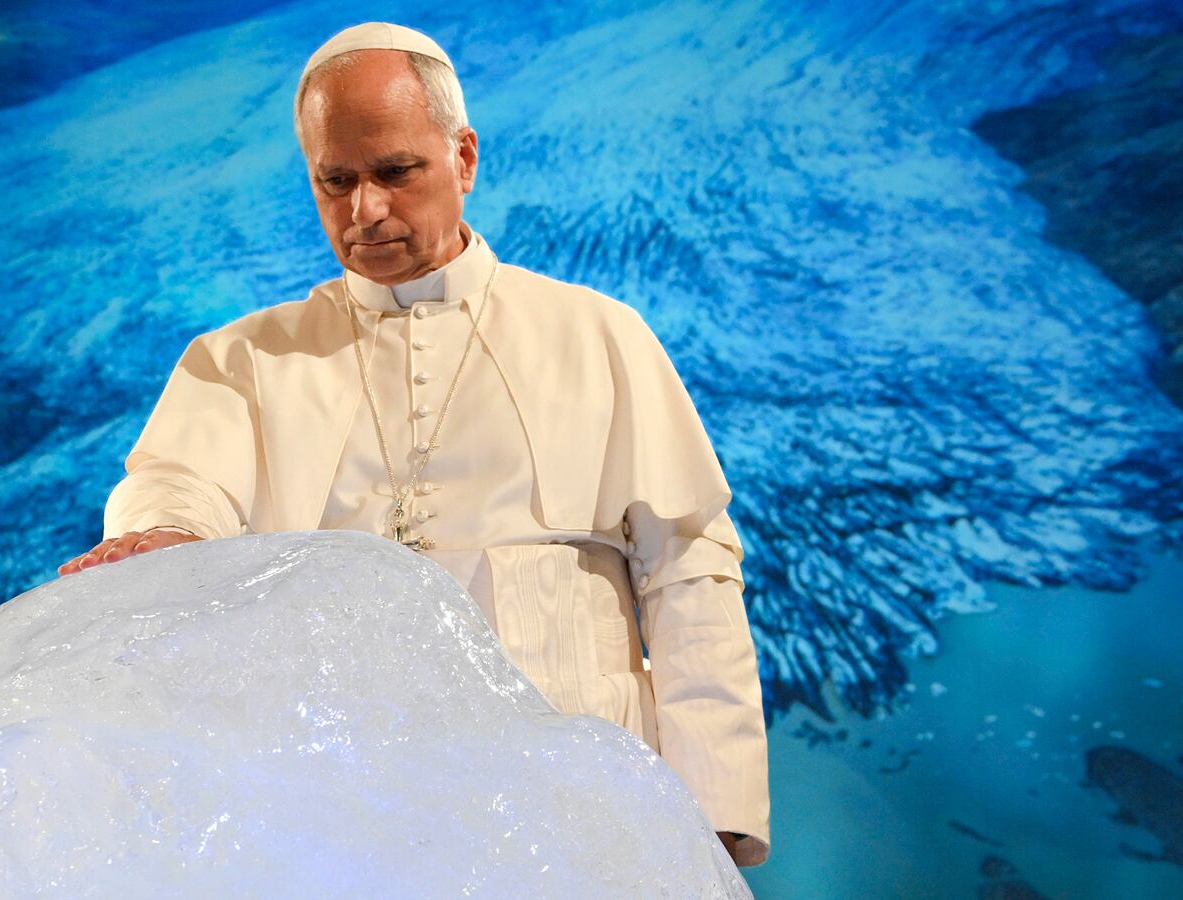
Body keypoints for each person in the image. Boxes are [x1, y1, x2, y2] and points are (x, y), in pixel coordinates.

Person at [60, 22, 771, 866]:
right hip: (344, 814)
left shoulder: (598, 335)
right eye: (336, 181)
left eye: (396, 172)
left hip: (584, 802)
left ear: (463, 158)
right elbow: (176, 485)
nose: (365, 210)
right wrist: (167, 538)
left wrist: (715, 810)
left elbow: (689, 573)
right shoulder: (243, 361)